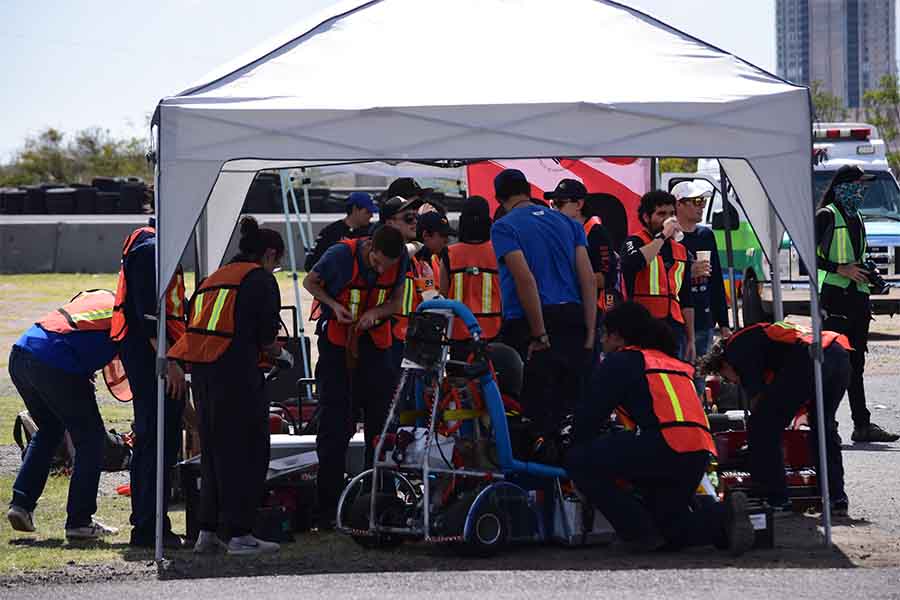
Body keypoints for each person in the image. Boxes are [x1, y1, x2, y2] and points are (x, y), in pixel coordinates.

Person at [566, 302, 753, 555]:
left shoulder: (620, 362)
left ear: (618, 335)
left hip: (664, 445)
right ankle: (723, 520)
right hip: (697, 453)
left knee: (579, 460)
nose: (602, 339)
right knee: (670, 529)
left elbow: (588, 419)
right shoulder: (672, 362)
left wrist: (569, 444)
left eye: (605, 333)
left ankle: (637, 533)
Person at [169, 217, 286, 556]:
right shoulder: (260, 280)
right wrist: (282, 355)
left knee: (215, 453)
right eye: (277, 261)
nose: (276, 268)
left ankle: (208, 531)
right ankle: (240, 534)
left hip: (204, 376)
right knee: (248, 453)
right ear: (268, 255)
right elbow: (266, 339)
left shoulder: (212, 279)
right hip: (237, 375)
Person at [304, 225, 407, 527]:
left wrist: (376, 314)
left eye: (385, 266)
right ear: (369, 248)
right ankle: (328, 509)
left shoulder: (399, 261)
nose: (380, 271)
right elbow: (311, 282)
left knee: (382, 426)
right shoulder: (340, 255)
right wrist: (334, 306)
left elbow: (396, 303)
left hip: (376, 348)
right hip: (338, 347)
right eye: (376, 263)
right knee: (335, 426)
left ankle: (377, 502)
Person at [699, 321, 852, 514]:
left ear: (724, 364)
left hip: (808, 359)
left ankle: (777, 498)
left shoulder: (736, 350)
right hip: (836, 354)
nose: (734, 382)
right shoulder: (758, 339)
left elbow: (759, 402)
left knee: (762, 427)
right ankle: (836, 497)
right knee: (823, 427)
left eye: (728, 378)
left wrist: (755, 446)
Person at [490, 168, 597, 441]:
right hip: (574, 319)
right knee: (573, 413)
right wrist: (591, 331)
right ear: (528, 190)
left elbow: (525, 280)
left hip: (530, 323)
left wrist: (539, 333)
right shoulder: (569, 224)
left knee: (535, 415)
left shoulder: (504, 226)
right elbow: (588, 278)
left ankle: (538, 480)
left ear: (499, 198)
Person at [7, 290, 122, 540]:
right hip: (56, 360)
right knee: (90, 439)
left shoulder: (94, 299)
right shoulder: (124, 312)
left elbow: (75, 332)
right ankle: (80, 521)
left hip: (21, 352)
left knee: (49, 430)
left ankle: (21, 504)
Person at [111, 223, 189, 549]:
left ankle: (151, 524)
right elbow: (147, 314)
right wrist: (170, 361)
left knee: (159, 440)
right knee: (156, 441)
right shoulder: (150, 250)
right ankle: (148, 527)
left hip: (154, 354)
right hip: (152, 357)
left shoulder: (154, 246)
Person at [816, 165, 899, 443]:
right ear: (844, 186)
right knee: (834, 365)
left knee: (856, 364)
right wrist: (840, 268)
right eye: (858, 185)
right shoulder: (827, 215)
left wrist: (868, 271)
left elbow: (858, 254)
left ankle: (862, 424)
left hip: (858, 299)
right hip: (834, 297)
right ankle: (827, 424)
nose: (862, 190)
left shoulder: (857, 215)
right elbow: (807, 256)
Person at [621, 190, 695, 362]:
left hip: (673, 327)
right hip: (643, 324)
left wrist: (690, 339)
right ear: (647, 217)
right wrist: (662, 236)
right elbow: (635, 261)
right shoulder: (634, 242)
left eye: (671, 214)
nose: (668, 219)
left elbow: (686, 297)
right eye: (661, 214)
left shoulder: (680, 250)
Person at [672, 180, 731, 392]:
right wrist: (689, 271)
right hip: (676, 322)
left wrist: (723, 323)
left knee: (698, 377)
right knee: (678, 376)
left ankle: (697, 420)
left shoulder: (706, 235)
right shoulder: (669, 237)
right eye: (696, 201)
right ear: (679, 204)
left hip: (704, 319)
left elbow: (715, 281)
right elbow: (663, 280)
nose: (701, 206)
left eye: (703, 201)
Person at [546, 178, 618, 349]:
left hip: (591, 313)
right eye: (552, 203)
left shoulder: (596, 232)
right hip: (565, 311)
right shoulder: (558, 232)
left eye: (559, 203)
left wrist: (568, 279)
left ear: (578, 204)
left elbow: (607, 277)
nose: (554, 208)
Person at [440, 196, 502, 346]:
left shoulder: (449, 254)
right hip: (493, 330)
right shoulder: (499, 251)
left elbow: (443, 295)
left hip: (458, 331)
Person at [303, 192, 378, 272]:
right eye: (368, 212)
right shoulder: (330, 232)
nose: (371, 215)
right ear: (355, 209)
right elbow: (310, 264)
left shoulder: (374, 231)